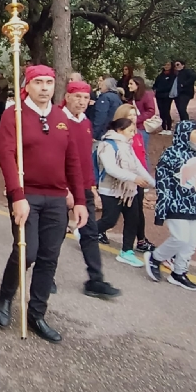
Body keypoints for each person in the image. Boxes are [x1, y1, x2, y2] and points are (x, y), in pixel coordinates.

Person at [0, 65, 87, 343]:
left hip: (57, 198)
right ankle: (5, 297)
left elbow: (72, 161)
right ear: (28, 85)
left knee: (49, 257)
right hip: (27, 195)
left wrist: (79, 200)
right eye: (39, 82)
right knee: (28, 252)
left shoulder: (60, 117)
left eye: (49, 82)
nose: (45, 88)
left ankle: (37, 314)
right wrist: (17, 195)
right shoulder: (15, 115)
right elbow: (7, 156)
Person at [61, 82, 120, 299]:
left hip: (82, 187)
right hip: (59, 187)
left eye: (86, 98)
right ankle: (45, 277)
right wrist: (65, 189)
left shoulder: (85, 122)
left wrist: (91, 187)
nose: (82, 102)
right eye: (77, 97)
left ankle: (95, 279)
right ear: (67, 96)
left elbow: (86, 160)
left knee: (90, 232)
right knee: (54, 233)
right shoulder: (57, 120)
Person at [144, 121, 196, 291]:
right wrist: (164, 204)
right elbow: (163, 182)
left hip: (195, 206)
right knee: (180, 238)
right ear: (185, 133)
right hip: (176, 205)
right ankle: (155, 257)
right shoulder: (171, 155)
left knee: (191, 242)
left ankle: (179, 272)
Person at [95, 117, 155, 268]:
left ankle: (127, 251)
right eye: (130, 131)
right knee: (109, 220)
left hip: (129, 190)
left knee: (132, 219)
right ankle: (86, 232)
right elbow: (111, 169)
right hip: (111, 190)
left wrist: (154, 184)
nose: (133, 134)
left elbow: (138, 166)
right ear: (119, 130)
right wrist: (134, 178)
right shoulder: (106, 145)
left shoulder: (127, 146)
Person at [108, 104, 157, 254]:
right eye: (129, 115)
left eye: (134, 115)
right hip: (122, 180)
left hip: (138, 178)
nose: (133, 118)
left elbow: (141, 158)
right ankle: (96, 231)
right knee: (112, 216)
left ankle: (139, 241)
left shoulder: (139, 134)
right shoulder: (115, 139)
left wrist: (148, 180)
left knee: (136, 213)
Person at [128, 76, 156, 155]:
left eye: (131, 84)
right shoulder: (133, 96)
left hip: (142, 127)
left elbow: (151, 111)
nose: (128, 86)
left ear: (138, 85)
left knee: (142, 152)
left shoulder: (147, 95)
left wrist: (137, 119)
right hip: (132, 127)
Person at [153, 61, 176, 134]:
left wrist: (159, 89)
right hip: (159, 96)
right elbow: (155, 84)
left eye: (168, 65)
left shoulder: (173, 76)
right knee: (161, 112)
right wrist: (154, 89)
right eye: (165, 64)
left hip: (167, 96)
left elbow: (170, 86)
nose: (166, 66)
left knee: (166, 111)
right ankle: (163, 128)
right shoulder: (160, 75)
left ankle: (169, 128)